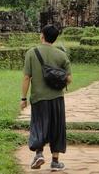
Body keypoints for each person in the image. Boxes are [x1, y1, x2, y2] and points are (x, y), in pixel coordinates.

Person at [20, 25, 72, 171]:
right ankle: (55, 162)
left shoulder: (31, 53)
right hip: (57, 98)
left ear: (42, 35)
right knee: (57, 127)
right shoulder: (61, 55)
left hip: (38, 98)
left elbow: (26, 78)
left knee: (38, 125)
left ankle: (39, 154)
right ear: (55, 38)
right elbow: (69, 79)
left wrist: (23, 98)